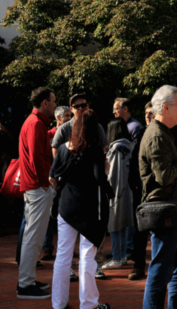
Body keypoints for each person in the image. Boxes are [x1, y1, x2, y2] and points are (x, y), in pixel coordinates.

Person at [50, 108, 113, 309]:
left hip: (66, 207)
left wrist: (62, 191)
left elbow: (52, 177)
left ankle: (58, 304)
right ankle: (88, 304)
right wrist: (106, 167)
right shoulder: (94, 151)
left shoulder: (62, 148)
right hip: (89, 209)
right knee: (87, 255)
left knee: (63, 255)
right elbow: (99, 179)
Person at [139, 85, 177, 309]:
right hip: (164, 214)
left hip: (171, 213)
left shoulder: (163, 133)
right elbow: (163, 176)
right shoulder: (157, 136)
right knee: (160, 270)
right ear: (166, 107)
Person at [16, 87, 56, 300]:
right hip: (37, 187)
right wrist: (46, 183)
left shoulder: (35, 123)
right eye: (53, 101)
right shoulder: (35, 123)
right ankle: (25, 284)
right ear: (44, 103)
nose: (55, 104)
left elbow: (36, 154)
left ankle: (28, 280)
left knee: (34, 236)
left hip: (35, 186)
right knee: (33, 237)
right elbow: (36, 158)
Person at [102, 118, 135, 269]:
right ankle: (121, 256)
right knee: (122, 224)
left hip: (116, 191)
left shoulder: (116, 148)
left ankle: (117, 257)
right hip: (127, 190)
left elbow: (113, 174)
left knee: (115, 224)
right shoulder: (129, 146)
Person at [127, 102, 154, 281]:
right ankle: (138, 266)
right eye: (146, 113)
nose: (147, 116)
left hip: (160, 190)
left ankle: (162, 267)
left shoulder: (169, 133)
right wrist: (135, 183)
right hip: (141, 190)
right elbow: (134, 160)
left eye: (151, 113)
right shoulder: (142, 133)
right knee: (139, 230)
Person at [41, 105, 73, 262]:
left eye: (70, 115)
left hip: (67, 180)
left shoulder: (73, 133)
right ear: (58, 118)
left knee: (66, 214)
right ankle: (47, 248)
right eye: (66, 115)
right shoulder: (48, 135)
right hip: (51, 178)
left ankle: (68, 247)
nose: (69, 118)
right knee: (49, 215)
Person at [114, 97, 141, 259]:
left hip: (130, 177)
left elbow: (135, 154)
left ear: (125, 109)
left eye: (116, 108)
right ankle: (122, 249)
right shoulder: (123, 126)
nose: (114, 112)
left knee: (129, 213)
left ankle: (129, 248)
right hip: (122, 177)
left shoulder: (134, 127)